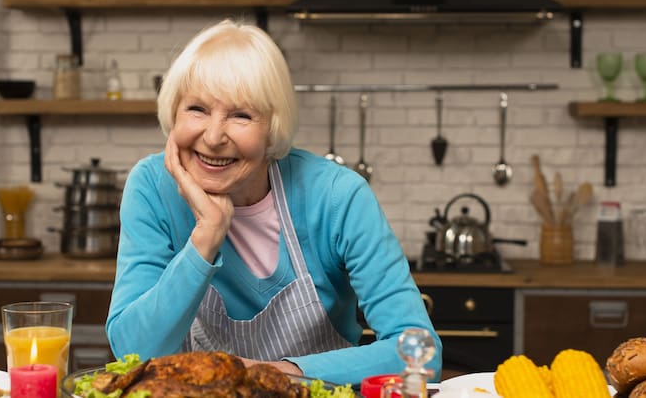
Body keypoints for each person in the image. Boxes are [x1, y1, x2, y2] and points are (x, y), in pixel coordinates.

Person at [105, 19, 442, 386]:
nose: (214, 136)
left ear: (273, 129)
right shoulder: (153, 188)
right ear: (173, 113)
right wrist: (207, 234)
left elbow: (422, 354)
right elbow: (132, 352)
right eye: (197, 109)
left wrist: (282, 374)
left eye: (241, 115)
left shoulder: (337, 197)